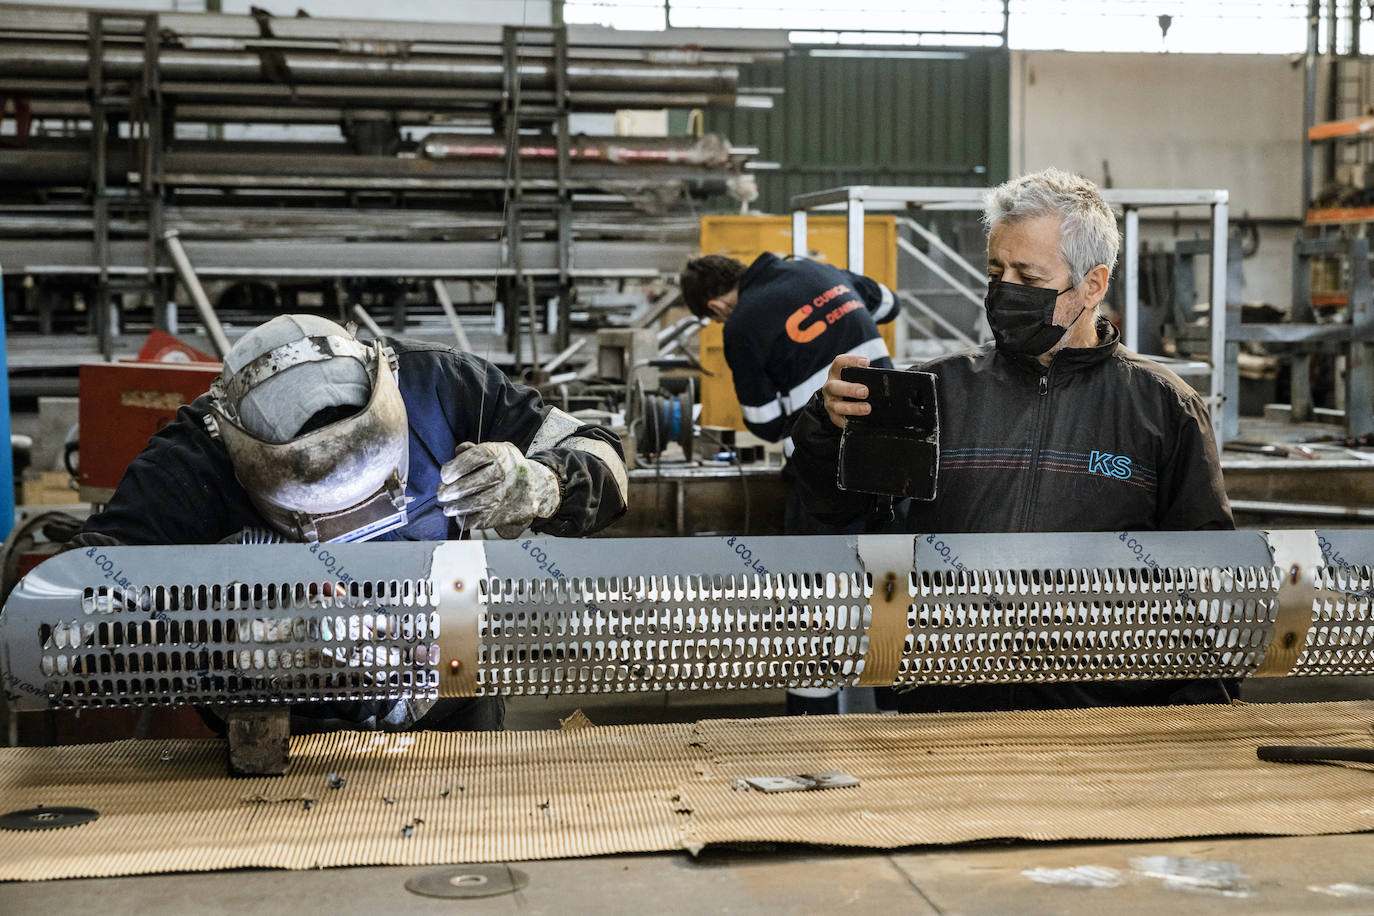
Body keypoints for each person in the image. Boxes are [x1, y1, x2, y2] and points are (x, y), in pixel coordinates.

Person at [789, 166, 1235, 713]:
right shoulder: (935, 391)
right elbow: (841, 515)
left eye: (1028, 277)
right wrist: (826, 431)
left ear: (1092, 285)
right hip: (944, 716)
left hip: (1104, 724)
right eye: (996, 272)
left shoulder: (1163, 408)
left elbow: (1208, 584)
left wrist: (1202, 724)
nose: (1005, 292)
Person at [73, 314, 629, 732]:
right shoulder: (195, 455)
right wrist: (228, 632)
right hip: (281, 728)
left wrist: (546, 483)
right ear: (239, 451)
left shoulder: (441, 384)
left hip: (451, 695)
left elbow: (605, 457)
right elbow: (70, 611)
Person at [680, 251, 900, 536]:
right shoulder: (815, 270)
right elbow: (890, 306)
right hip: (893, 444)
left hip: (825, 467)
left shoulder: (741, 325)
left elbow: (765, 423)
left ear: (717, 306)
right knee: (892, 563)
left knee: (818, 572)